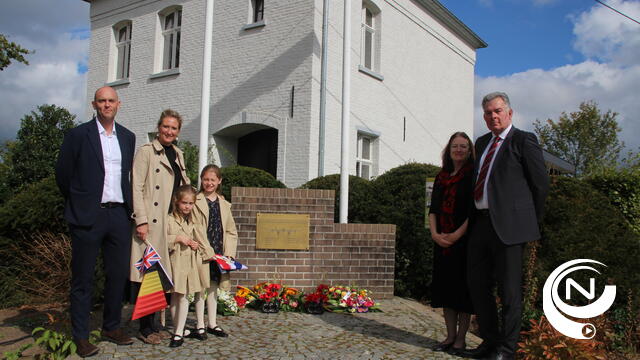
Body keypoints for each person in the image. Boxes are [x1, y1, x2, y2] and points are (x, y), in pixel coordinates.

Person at [463, 92, 549, 360]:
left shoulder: (523, 141)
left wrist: (528, 223)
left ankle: (507, 350)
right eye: (488, 112)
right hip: (481, 225)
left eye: (498, 111)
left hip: (510, 229)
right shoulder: (482, 142)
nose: (493, 116)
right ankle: (489, 341)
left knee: (510, 292)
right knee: (477, 285)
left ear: (510, 113)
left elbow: (540, 185)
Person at [55, 86, 135, 357]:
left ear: (118, 104)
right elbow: (63, 175)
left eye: (111, 101)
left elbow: (126, 176)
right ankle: (81, 336)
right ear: (94, 104)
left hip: (118, 215)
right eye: (102, 101)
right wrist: (80, 202)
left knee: (117, 276)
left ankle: (111, 326)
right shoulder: (78, 135)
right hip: (88, 215)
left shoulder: (128, 137)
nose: (106, 105)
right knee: (83, 279)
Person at [130, 109, 189, 345]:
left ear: (178, 132)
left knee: (164, 276)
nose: (169, 131)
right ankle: (145, 327)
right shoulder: (146, 152)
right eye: (166, 126)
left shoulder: (178, 154)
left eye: (173, 128)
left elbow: (183, 188)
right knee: (149, 275)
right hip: (151, 223)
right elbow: (136, 186)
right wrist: (141, 220)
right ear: (158, 127)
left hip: (170, 224)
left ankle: (155, 323)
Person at [428, 132, 475, 356]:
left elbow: (473, 212)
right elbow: (433, 209)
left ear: (469, 150)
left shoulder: (472, 175)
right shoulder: (441, 176)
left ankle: (461, 340)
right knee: (446, 292)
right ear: (449, 150)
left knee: (462, 294)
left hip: (463, 243)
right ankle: (449, 336)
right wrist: (435, 234)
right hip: (442, 242)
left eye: (463, 146)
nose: (458, 150)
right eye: (455, 146)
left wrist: (456, 235)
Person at [192, 164, 238, 338]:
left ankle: (212, 323)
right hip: (202, 251)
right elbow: (195, 228)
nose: (208, 183)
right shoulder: (195, 201)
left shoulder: (225, 204)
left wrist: (229, 253)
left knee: (213, 287)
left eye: (212, 180)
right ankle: (200, 324)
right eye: (205, 179)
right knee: (199, 288)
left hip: (219, 252)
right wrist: (205, 248)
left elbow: (231, 230)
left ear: (219, 181)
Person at [166, 185, 215, 347]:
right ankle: (176, 329)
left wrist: (202, 249)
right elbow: (163, 240)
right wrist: (178, 238)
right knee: (176, 296)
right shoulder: (169, 219)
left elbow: (202, 241)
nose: (187, 206)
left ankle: (179, 332)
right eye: (184, 203)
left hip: (191, 264)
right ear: (177, 202)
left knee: (185, 296)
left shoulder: (195, 221)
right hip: (176, 263)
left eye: (190, 203)